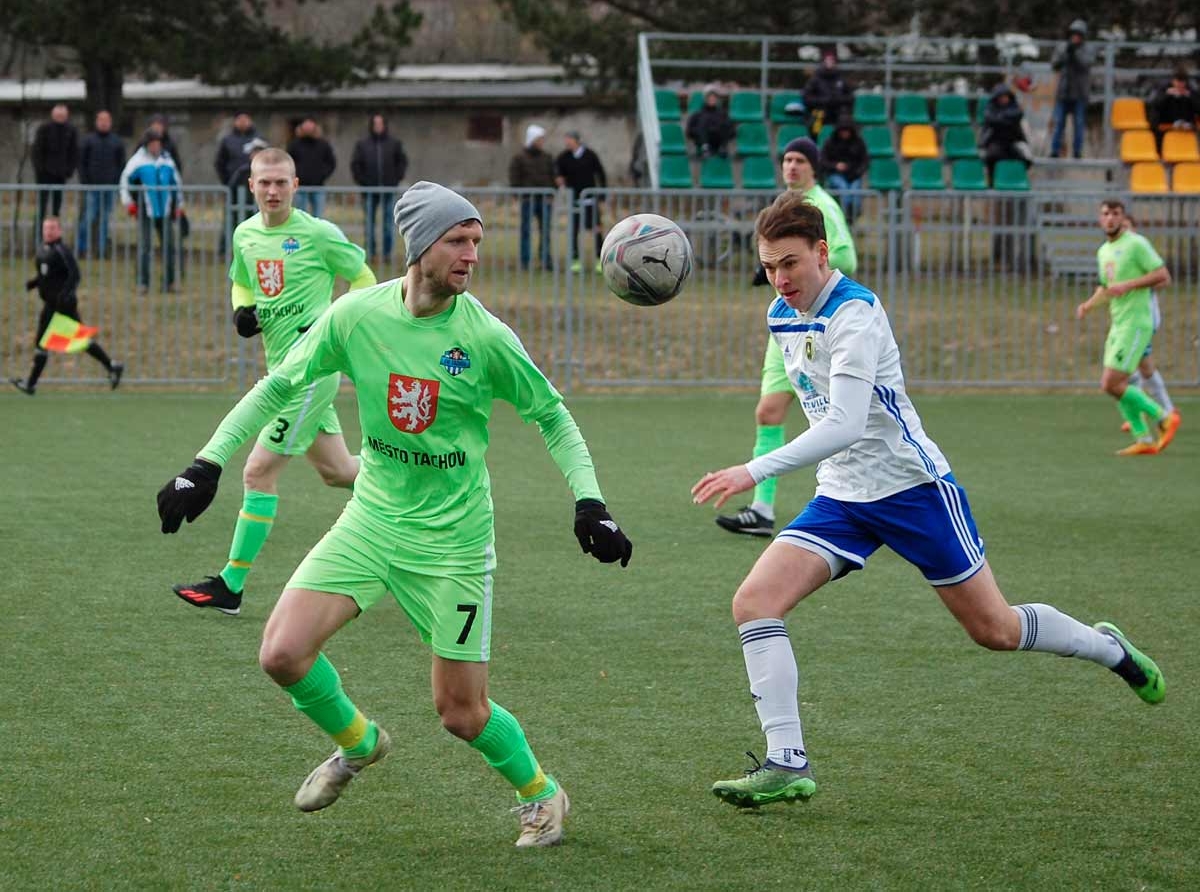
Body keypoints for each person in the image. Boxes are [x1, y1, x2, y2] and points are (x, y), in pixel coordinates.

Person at [155, 180, 632, 847]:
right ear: (418, 247)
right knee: (282, 652)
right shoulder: (357, 317)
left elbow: (551, 414)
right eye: (457, 240)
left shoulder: (486, 337)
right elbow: (281, 384)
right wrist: (205, 463)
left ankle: (540, 793)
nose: (471, 254)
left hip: (454, 544)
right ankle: (359, 743)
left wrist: (591, 501)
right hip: (371, 520)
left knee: (461, 714)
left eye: (477, 241)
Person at [691, 191, 1166, 809]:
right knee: (755, 603)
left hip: (914, 492)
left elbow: (846, 423)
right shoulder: (781, 314)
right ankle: (787, 762)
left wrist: (752, 470)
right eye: (770, 265)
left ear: (822, 253)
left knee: (994, 629)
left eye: (791, 263)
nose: (781, 278)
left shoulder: (856, 313)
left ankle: (1109, 647)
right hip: (842, 498)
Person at [170, 147, 377, 616]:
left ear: (296, 185)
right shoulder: (245, 235)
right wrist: (241, 308)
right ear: (251, 186)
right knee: (338, 472)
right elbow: (241, 280)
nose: (273, 190)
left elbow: (363, 277)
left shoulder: (319, 234)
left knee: (257, 471)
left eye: (281, 182)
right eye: (264, 182)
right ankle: (411, 477)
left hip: (310, 375)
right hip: (282, 370)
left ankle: (231, 585)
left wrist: (334, 325)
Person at [718, 137, 856, 538]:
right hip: (789, 324)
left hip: (819, 325)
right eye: (787, 159)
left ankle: (851, 494)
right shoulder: (787, 205)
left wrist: (804, 268)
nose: (792, 166)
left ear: (814, 167)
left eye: (800, 160)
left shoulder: (822, 207)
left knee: (837, 417)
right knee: (768, 412)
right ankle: (762, 510)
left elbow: (847, 257)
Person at [1075, 199, 1180, 455]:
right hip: (1118, 322)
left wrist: (1129, 285)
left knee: (1111, 382)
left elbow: (1163, 276)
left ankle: (1164, 417)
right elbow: (1107, 287)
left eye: (1115, 214)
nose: (1110, 218)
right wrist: (1089, 305)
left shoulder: (1136, 244)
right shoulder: (1104, 251)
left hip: (1136, 323)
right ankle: (1144, 439)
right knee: (1117, 383)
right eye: (1105, 214)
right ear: (1100, 219)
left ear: (1123, 218)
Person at [10, 216, 123, 395]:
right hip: (50, 304)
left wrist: (65, 295)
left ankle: (112, 366)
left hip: (63, 305)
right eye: (46, 228)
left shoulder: (62, 250)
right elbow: (47, 277)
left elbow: (75, 274)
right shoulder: (43, 250)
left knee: (71, 340)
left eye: (53, 228)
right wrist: (33, 283)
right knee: (46, 342)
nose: (49, 231)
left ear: (59, 231)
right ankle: (111, 366)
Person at [1120, 215, 1179, 431]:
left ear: (1134, 229)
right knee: (1134, 369)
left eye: (1127, 227)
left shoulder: (1140, 250)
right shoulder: (1115, 253)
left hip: (1145, 318)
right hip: (1128, 320)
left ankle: (1164, 413)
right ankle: (1152, 413)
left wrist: (1138, 286)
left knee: (1133, 368)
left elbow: (1165, 279)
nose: (1123, 230)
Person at [119, 131, 183, 293]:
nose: (155, 146)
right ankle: (143, 283)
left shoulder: (167, 161)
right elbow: (125, 181)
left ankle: (169, 282)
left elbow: (177, 184)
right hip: (144, 210)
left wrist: (179, 205)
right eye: (152, 143)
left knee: (169, 246)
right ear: (146, 145)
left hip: (166, 210)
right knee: (144, 246)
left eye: (158, 143)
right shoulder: (137, 161)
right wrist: (129, 203)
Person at [350, 113, 408, 265]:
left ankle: (387, 254)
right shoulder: (362, 144)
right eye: (375, 123)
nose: (378, 126)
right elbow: (355, 165)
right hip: (369, 191)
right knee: (369, 225)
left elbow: (402, 162)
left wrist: (395, 179)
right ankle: (371, 254)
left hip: (388, 190)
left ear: (384, 125)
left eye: (380, 123)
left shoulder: (394, 143)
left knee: (388, 224)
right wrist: (362, 181)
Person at [554, 131, 608, 273]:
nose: (567, 142)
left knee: (596, 230)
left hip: (590, 199)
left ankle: (599, 259)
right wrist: (559, 179)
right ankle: (575, 260)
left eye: (569, 139)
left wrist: (602, 196)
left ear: (576, 140)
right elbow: (557, 172)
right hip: (574, 201)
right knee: (574, 231)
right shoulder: (564, 157)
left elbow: (600, 174)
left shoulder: (590, 155)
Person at [76, 109, 125, 259]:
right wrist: (86, 182)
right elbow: (81, 163)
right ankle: (81, 248)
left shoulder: (116, 141)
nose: (104, 123)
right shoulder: (88, 140)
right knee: (87, 219)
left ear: (110, 123)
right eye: (101, 120)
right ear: (96, 122)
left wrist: (116, 182)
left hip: (109, 188)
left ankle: (102, 250)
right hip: (92, 187)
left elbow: (121, 164)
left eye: (107, 120)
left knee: (104, 220)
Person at [508, 124, 556, 271]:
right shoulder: (519, 158)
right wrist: (517, 195)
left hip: (544, 200)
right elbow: (514, 177)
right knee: (526, 232)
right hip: (528, 200)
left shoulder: (547, 157)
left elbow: (552, 176)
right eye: (539, 139)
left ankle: (545, 260)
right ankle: (525, 261)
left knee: (546, 231)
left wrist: (551, 193)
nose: (542, 141)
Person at [214, 112, 262, 256]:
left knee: (253, 217)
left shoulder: (258, 139)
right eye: (240, 119)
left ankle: (252, 249)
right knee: (230, 218)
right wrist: (227, 181)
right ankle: (226, 249)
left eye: (245, 119)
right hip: (233, 186)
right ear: (235, 121)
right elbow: (219, 163)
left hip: (254, 188)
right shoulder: (228, 140)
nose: (243, 122)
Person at [1049, 20, 1095, 159]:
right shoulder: (1062, 47)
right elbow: (1055, 65)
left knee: (1079, 124)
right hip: (1063, 92)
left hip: (1079, 93)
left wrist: (1074, 53)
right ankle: (1055, 151)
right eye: (1073, 34)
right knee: (1058, 123)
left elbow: (1086, 64)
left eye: (1078, 35)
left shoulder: (1087, 49)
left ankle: (1077, 151)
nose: (1075, 37)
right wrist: (1066, 54)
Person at [31, 103, 79, 227]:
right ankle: (39, 235)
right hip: (44, 175)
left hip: (60, 174)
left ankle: (55, 235)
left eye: (62, 115)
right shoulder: (44, 128)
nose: (60, 117)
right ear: (53, 115)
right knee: (42, 206)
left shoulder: (71, 130)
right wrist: (40, 170)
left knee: (56, 208)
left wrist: (69, 170)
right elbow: (37, 151)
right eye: (58, 115)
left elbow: (73, 152)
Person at [818, 117, 867, 225]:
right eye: (843, 131)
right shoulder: (830, 142)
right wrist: (836, 166)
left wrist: (856, 172)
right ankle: (846, 215)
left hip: (854, 175)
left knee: (855, 190)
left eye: (847, 131)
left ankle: (854, 213)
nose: (845, 133)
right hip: (835, 174)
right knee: (843, 188)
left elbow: (864, 161)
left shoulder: (858, 143)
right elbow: (823, 161)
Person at [980, 82, 1033, 184]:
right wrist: (1006, 119)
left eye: (1005, 96)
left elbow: (1017, 114)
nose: (1003, 99)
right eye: (1000, 97)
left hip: (1013, 142)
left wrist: (1000, 118)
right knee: (992, 156)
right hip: (994, 142)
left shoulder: (1014, 106)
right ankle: (993, 183)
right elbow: (990, 119)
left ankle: (1017, 184)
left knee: (1025, 158)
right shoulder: (991, 107)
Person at [287, 117, 337, 216]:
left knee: (318, 216)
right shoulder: (294, 145)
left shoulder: (323, 145)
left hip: (318, 186)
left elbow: (331, 162)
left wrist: (322, 175)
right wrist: (296, 175)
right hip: (300, 186)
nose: (308, 127)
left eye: (310, 124)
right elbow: (288, 162)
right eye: (306, 124)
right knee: (300, 216)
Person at [802, 50, 854, 138]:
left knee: (846, 124)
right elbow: (807, 98)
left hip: (838, 113)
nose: (830, 63)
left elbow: (850, 97)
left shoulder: (841, 80)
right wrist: (823, 101)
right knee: (815, 125)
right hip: (820, 111)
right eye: (828, 60)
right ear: (823, 62)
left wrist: (838, 100)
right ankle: (815, 144)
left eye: (832, 61)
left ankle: (840, 145)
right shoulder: (815, 80)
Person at [1148, 67, 1199, 150]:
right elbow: (1156, 105)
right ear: (1173, 80)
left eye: (1182, 82)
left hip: (1186, 122)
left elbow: (1197, 108)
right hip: (1167, 121)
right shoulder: (1164, 89)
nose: (1180, 85)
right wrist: (1167, 95)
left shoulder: (1191, 91)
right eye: (1178, 81)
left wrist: (1189, 96)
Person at [226, 138, 270, 230]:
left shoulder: (271, 171)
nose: (257, 155)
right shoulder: (243, 172)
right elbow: (232, 187)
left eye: (260, 151)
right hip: (244, 208)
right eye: (255, 152)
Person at [686, 87, 736, 158]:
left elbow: (732, 130)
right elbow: (689, 131)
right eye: (709, 97)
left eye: (714, 97)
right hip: (703, 139)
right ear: (705, 99)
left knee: (725, 123)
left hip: (719, 138)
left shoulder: (723, 114)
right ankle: (705, 148)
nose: (712, 99)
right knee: (702, 123)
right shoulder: (698, 114)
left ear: (717, 99)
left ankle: (722, 147)